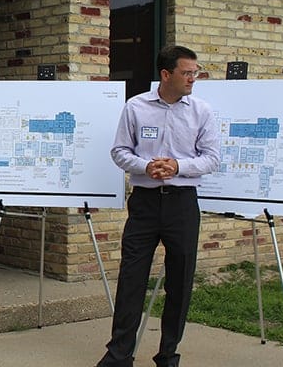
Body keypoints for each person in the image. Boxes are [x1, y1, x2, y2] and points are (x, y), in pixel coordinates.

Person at [96, 45, 220, 367]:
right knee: (131, 279)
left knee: (180, 282)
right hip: (145, 204)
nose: (193, 78)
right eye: (187, 72)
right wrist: (145, 166)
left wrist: (177, 167)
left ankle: (168, 355)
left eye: (195, 72)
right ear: (166, 75)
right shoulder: (135, 107)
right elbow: (119, 151)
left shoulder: (202, 111)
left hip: (182, 205)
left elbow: (211, 158)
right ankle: (119, 355)